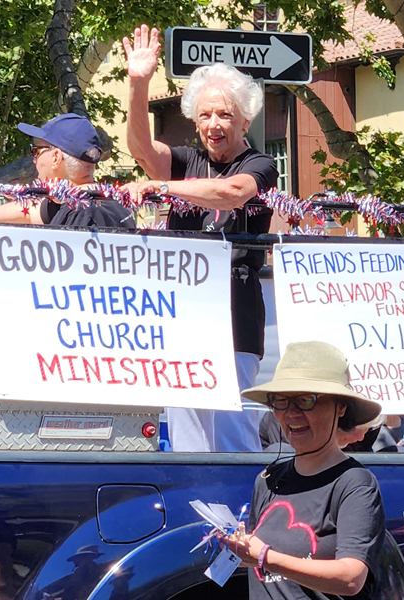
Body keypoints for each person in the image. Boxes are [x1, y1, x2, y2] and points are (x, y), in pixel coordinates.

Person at [123, 26, 279, 453]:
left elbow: (232, 194)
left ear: (245, 120)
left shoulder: (261, 163)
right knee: (188, 432)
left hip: (234, 310)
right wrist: (138, 83)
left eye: (225, 115)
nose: (214, 124)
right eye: (206, 115)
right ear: (195, 120)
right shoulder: (186, 159)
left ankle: (246, 514)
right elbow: (141, 149)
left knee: (231, 431)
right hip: (184, 312)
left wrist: (165, 188)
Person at [223, 341, 386, 599]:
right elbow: (255, 565)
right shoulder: (267, 480)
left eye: (306, 401)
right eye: (281, 401)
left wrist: (266, 557)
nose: (291, 414)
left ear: (340, 407)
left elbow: (351, 578)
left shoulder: (354, 483)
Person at [0, 114, 134, 228]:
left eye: (36, 151)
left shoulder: (82, 212)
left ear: (56, 157)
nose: (34, 160)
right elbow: (31, 211)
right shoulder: (88, 201)